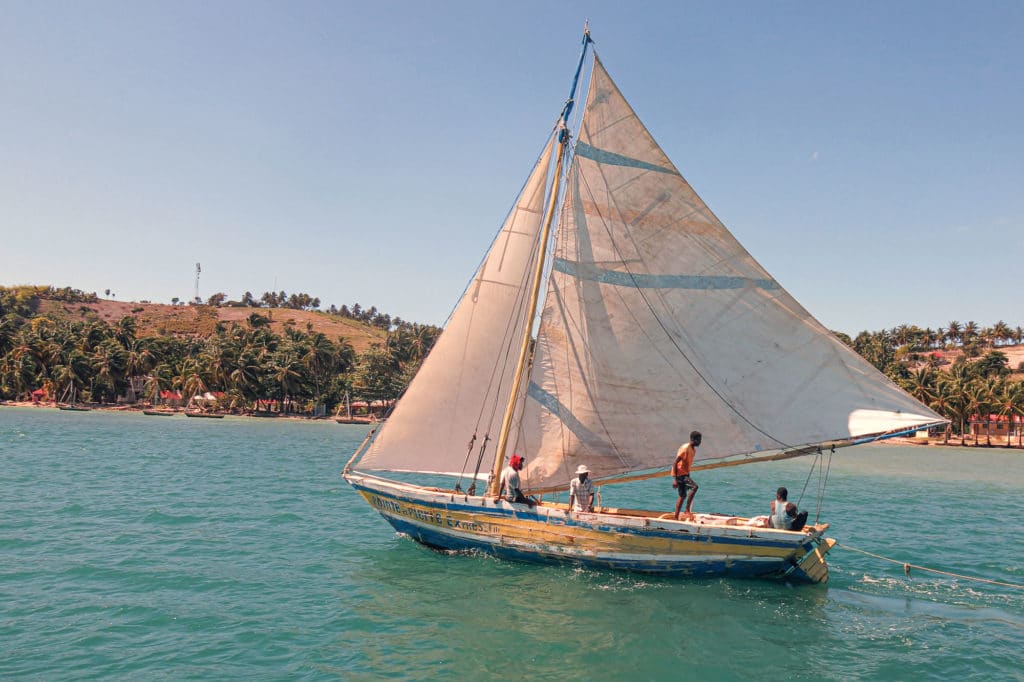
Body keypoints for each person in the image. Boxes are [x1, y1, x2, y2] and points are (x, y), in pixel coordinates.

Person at [672, 430, 701, 520]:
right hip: (680, 474)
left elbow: (687, 464)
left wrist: (688, 475)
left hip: (685, 474)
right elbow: (675, 462)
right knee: (694, 487)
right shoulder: (685, 448)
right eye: (699, 440)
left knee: (682, 495)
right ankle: (687, 509)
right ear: (693, 439)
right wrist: (675, 479)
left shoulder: (693, 450)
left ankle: (676, 517)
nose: (700, 442)